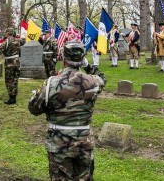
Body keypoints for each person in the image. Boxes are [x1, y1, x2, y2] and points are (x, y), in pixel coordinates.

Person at [28, 41, 107, 180]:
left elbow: (34, 109)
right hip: (84, 141)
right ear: (82, 59)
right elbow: (103, 79)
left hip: (60, 143)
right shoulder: (93, 82)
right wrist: (88, 66)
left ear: (63, 58)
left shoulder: (52, 83)